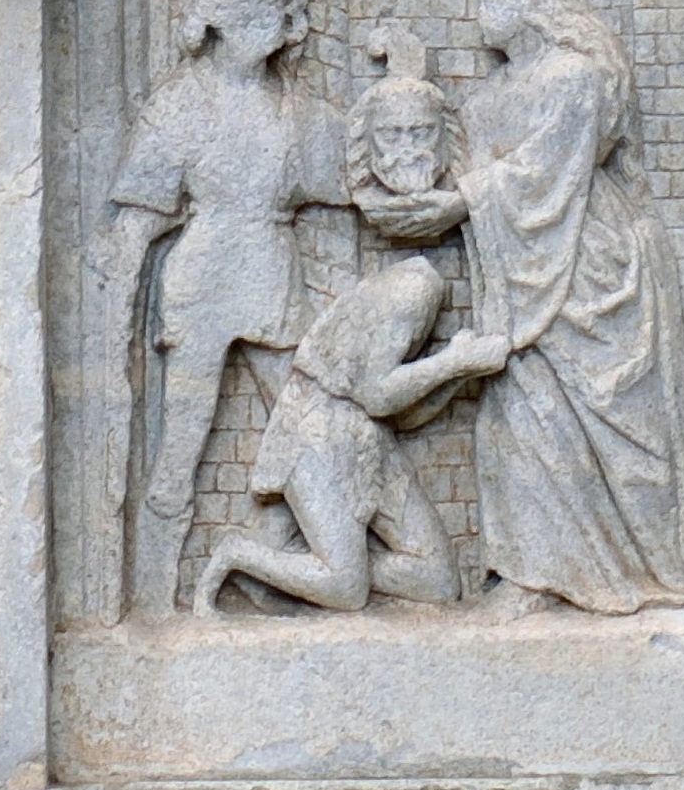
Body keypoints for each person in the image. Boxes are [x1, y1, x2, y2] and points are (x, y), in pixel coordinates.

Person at [360, 0, 684, 614]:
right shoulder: (490, 94)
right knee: (516, 421)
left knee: (600, 427)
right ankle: (533, 574)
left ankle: (630, 567)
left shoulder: (576, 77)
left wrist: (463, 200)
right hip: (520, 269)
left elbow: (547, 176)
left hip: (585, 268)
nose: (481, 8)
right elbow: (468, 171)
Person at [194, 31, 504, 615]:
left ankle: (311, 567)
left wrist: (456, 377)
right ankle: (238, 556)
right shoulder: (416, 283)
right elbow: (377, 392)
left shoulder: (422, 277)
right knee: (345, 589)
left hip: (366, 434)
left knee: (437, 580)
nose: (407, 151)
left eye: (421, 135)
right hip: (320, 428)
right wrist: (456, 362)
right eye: (392, 136)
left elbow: (402, 410)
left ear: (446, 146)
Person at [107, 0, 344, 599]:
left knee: (302, 420)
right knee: (182, 441)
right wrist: (118, 286)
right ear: (229, 20)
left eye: (284, 15)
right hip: (203, 277)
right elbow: (141, 211)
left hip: (271, 270)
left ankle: (293, 561)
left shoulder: (295, 105)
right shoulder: (180, 104)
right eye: (271, 15)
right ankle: (153, 590)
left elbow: (357, 167)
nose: (286, 29)